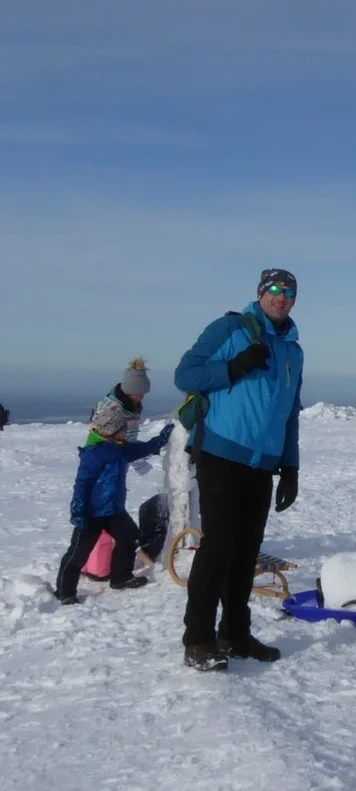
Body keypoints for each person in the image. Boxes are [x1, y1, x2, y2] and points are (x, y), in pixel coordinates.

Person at [174, 267, 304, 671]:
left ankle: (235, 633)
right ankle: (198, 638)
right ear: (262, 293)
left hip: (261, 465)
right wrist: (234, 367)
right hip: (221, 452)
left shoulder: (293, 351)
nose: (282, 297)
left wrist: (290, 465)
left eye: (289, 292)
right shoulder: (230, 329)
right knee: (219, 546)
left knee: (246, 550)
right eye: (275, 290)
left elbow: (290, 413)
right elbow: (186, 374)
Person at [53, 398, 173, 604]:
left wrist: (160, 440)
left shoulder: (121, 448)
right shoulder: (94, 454)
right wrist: (78, 509)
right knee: (78, 553)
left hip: (114, 511)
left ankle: (120, 577)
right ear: (111, 430)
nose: (126, 432)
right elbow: (83, 483)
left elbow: (142, 449)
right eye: (122, 429)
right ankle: (65, 592)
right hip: (92, 513)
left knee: (130, 537)